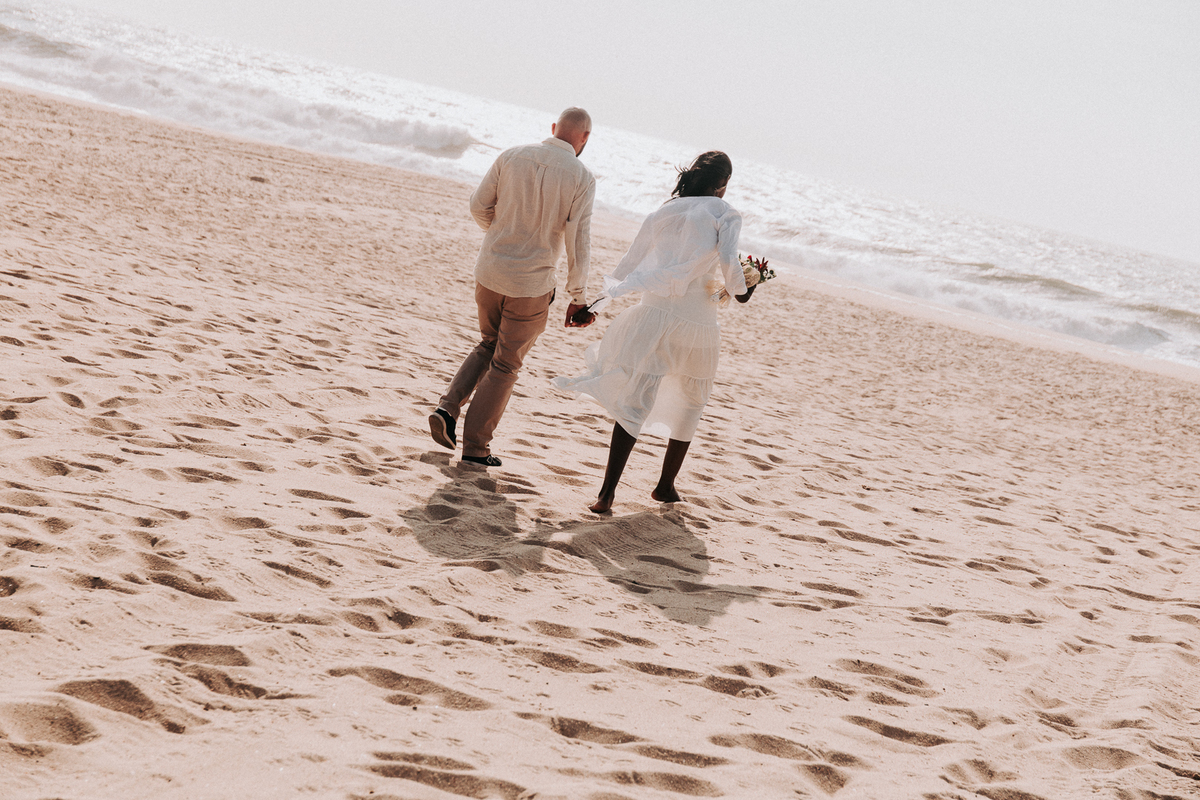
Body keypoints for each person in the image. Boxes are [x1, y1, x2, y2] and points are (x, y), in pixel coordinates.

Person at [553, 151, 754, 513]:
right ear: (723, 184)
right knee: (693, 400)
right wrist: (745, 288)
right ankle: (664, 485)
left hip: (653, 313)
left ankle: (607, 493)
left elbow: (629, 264)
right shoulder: (726, 213)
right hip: (697, 322)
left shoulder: (662, 212)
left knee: (636, 400)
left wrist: (595, 306)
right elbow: (730, 266)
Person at [428, 107, 597, 467]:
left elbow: (478, 206)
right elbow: (577, 242)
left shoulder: (512, 155)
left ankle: (447, 408)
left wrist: (499, 236)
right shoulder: (581, 177)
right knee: (505, 365)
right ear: (584, 138)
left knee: (488, 343)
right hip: (530, 284)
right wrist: (578, 297)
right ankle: (476, 447)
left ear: (553, 128)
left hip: (489, 272)